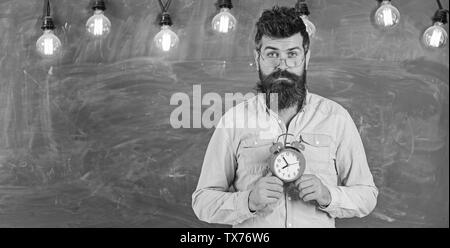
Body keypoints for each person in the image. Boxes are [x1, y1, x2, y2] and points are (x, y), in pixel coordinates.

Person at [192, 6, 378, 228]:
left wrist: (328, 196)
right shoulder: (233, 121)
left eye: (292, 54)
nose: (282, 65)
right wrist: (248, 201)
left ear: (306, 57)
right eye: (272, 54)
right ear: (257, 57)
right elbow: (203, 202)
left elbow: (367, 196)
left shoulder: (337, 119)